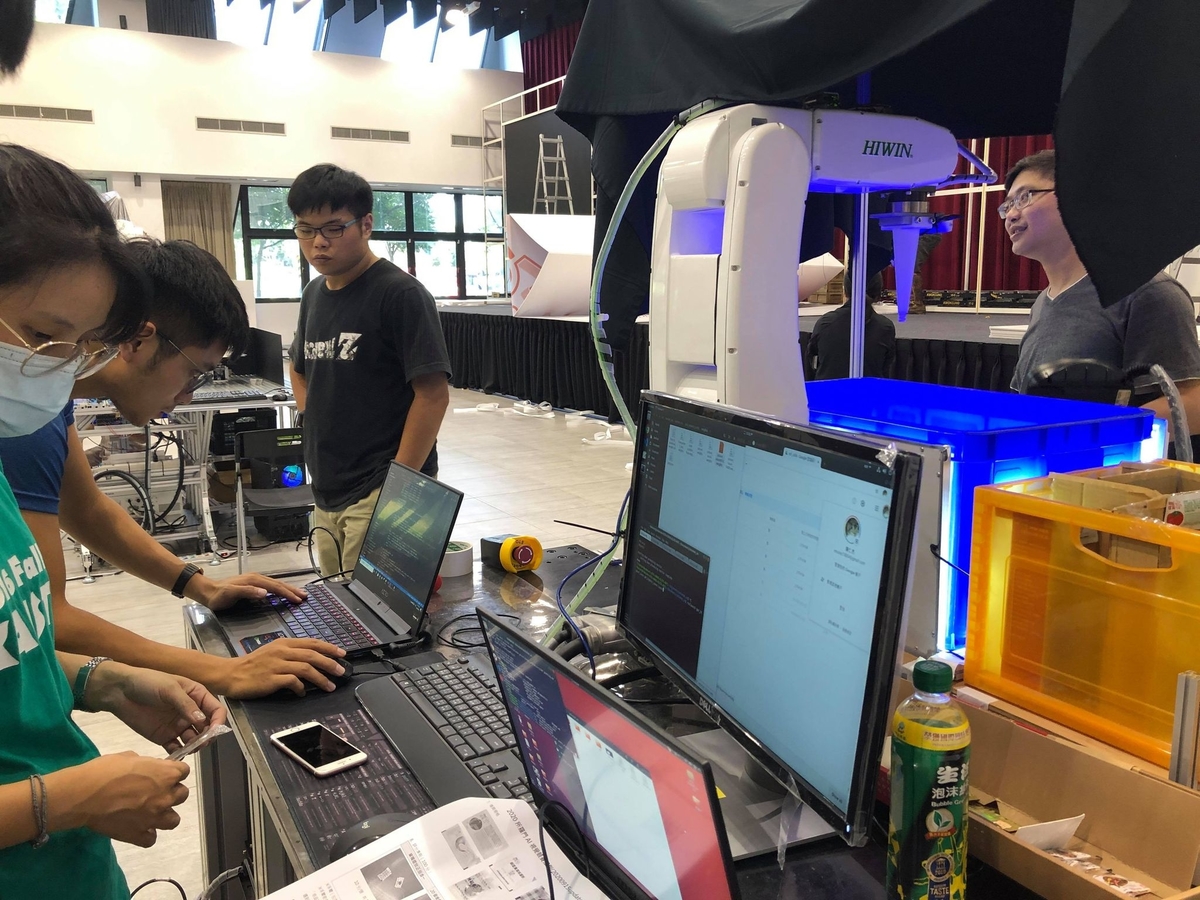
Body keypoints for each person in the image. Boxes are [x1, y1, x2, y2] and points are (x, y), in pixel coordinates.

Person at [0, 143, 225, 899]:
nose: (60, 369)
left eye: (77, 346)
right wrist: (67, 799)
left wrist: (106, 681)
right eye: (42, 337)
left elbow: (19, 645)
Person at [0, 237, 348, 698]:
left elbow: (86, 510)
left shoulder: (50, 399)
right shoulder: (20, 421)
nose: (190, 394)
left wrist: (199, 586)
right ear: (138, 341)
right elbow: (44, 617)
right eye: (196, 372)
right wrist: (221, 671)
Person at [288, 164, 451, 577]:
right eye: (305, 229)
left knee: (380, 611)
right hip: (328, 488)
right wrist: (314, 419)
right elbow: (299, 367)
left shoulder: (401, 295)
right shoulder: (313, 294)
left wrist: (399, 486)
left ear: (366, 225)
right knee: (340, 605)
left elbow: (432, 394)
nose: (318, 242)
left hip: (384, 489)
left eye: (333, 228)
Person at [1005, 149, 1200, 426]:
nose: (1011, 215)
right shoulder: (1042, 303)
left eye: (1024, 197)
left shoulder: (1147, 293)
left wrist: (1092, 433)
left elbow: (1192, 403)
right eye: (1007, 206)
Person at [807, 281, 896, 380]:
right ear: (878, 294)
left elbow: (811, 355)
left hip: (828, 388)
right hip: (869, 389)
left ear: (845, 291)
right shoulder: (885, 327)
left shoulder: (825, 322)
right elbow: (887, 366)